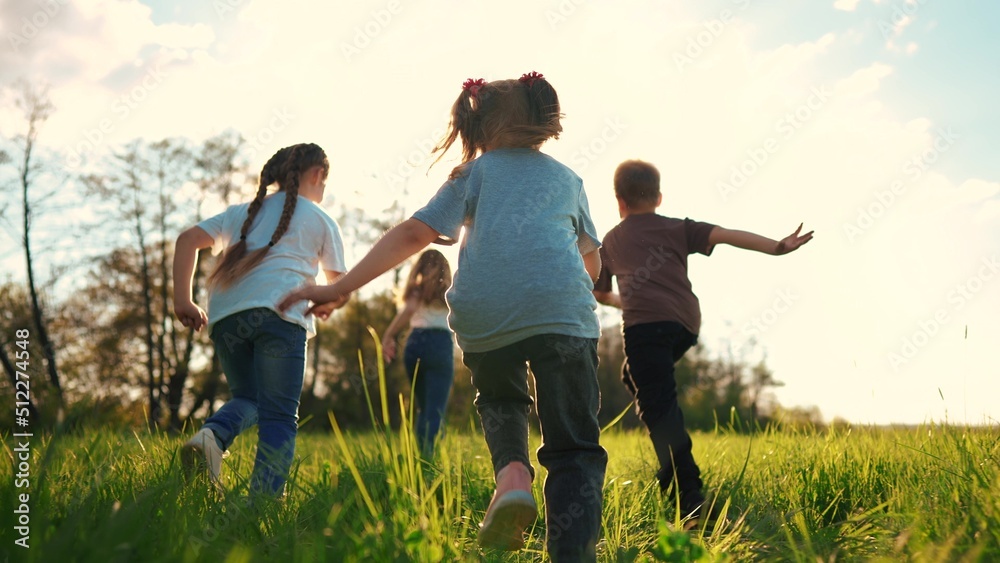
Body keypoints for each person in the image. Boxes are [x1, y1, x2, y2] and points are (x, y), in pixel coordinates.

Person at [279, 72, 607, 561]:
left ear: (479, 126)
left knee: (500, 400)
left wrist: (339, 285)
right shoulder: (567, 178)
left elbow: (413, 234)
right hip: (560, 312)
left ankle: (513, 476)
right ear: (542, 120)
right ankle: (572, 554)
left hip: (485, 314)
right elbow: (592, 262)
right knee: (574, 447)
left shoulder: (472, 175)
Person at [592, 159, 813, 520]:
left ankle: (688, 495)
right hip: (684, 325)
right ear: (659, 197)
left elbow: (600, 294)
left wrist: (624, 299)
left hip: (645, 329)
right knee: (636, 380)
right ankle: (673, 470)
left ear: (619, 201)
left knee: (659, 405)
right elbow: (725, 234)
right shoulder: (678, 228)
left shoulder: (611, 241)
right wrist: (777, 246)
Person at [173, 143, 347, 497]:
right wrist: (329, 302)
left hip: (225, 317)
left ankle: (211, 437)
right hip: (280, 314)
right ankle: (264, 503)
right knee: (279, 415)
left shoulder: (240, 213)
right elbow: (340, 285)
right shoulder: (320, 219)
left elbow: (187, 240)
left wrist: (183, 300)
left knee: (250, 398)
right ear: (317, 176)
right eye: (325, 182)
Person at [381, 249, 456, 457]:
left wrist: (388, 335)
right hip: (440, 343)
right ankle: (429, 458)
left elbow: (408, 311)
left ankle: (420, 456)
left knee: (423, 407)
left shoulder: (416, 291)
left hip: (414, 344)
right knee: (436, 409)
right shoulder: (450, 292)